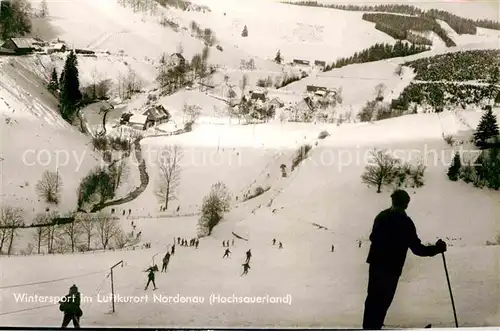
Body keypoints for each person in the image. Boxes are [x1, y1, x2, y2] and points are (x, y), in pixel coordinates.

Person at [362, 189, 447, 330]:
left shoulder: (382, 217)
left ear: (392, 201)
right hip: (392, 268)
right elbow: (417, 249)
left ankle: (369, 327)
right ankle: (373, 327)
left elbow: (373, 238)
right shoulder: (406, 223)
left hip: (377, 266)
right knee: (382, 301)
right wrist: (436, 249)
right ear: (406, 204)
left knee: (373, 300)